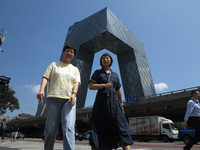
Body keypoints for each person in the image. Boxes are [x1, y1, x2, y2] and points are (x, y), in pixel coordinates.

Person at [37, 44, 81, 150]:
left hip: (69, 100)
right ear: (63, 52)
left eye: (72, 52)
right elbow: (45, 77)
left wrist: (74, 94)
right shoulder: (54, 65)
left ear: (73, 55)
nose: (69, 53)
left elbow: (76, 83)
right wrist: (42, 89)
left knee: (69, 128)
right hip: (53, 99)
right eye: (67, 51)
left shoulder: (75, 69)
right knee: (51, 129)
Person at [89, 53, 133, 150]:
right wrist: (104, 85)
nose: (105, 59)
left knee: (121, 129)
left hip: (115, 104)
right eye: (103, 58)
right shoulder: (97, 73)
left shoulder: (115, 75)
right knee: (99, 128)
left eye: (107, 58)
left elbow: (118, 90)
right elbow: (91, 86)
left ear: (111, 61)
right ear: (101, 61)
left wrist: (121, 104)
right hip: (101, 104)